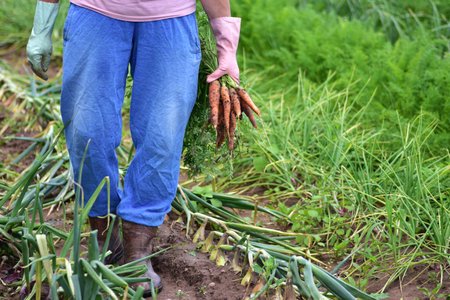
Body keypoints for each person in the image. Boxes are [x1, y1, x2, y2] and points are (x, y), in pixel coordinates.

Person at [26, 0, 240, 295]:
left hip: (170, 22)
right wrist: (42, 25)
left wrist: (226, 45)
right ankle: (105, 236)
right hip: (95, 15)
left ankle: (138, 251)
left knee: (162, 138)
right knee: (86, 132)